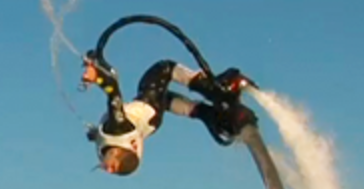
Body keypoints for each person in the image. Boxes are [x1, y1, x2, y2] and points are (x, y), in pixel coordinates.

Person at [82, 55, 257, 176]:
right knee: (164, 69)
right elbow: (113, 90)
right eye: (111, 168)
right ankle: (218, 91)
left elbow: (107, 141)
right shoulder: (116, 127)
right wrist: (96, 77)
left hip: (151, 121)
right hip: (148, 105)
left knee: (165, 99)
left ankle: (209, 115)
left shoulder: (110, 143)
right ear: (116, 158)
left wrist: (94, 134)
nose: (107, 169)